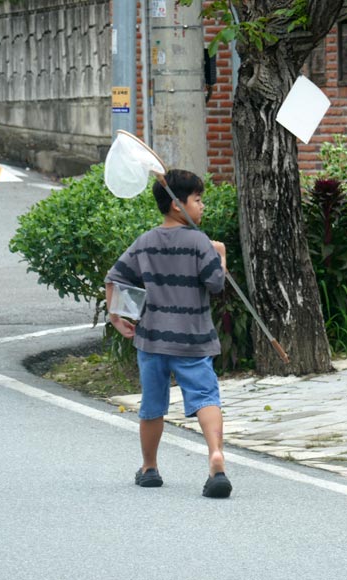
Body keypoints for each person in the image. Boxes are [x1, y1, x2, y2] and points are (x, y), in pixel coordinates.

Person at [105, 169, 232, 499]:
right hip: (194, 338)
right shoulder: (200, 243)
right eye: (198, 200)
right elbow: (215, 284)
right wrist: (220, 256)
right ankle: (215, 455)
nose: (203, 206)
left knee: (152, 405)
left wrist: (117, 316)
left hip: (153, 339)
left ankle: (149, 468)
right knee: (206, 397)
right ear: (179, 205)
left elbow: (115, 277)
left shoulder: (145, 242)